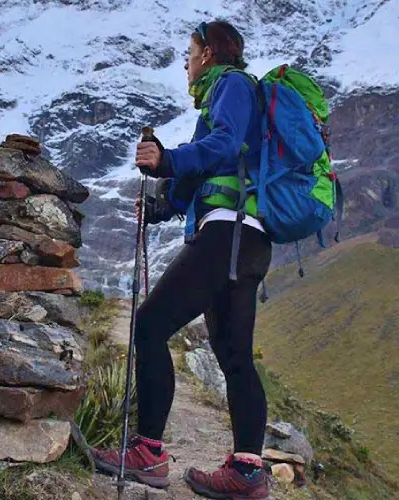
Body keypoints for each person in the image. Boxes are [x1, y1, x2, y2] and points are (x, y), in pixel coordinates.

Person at [91, 20, 273, 499]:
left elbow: (225, 145)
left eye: (189, 54)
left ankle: (148, 452)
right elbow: (208, 168)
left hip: (224, 236)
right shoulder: (230, 94)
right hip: (251, 239)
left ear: (209, 53)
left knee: (150, 325)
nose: (187, 64)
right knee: (234, 356)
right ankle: (248, 472)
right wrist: (163, 205)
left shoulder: (231, 85)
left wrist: (167, 160)